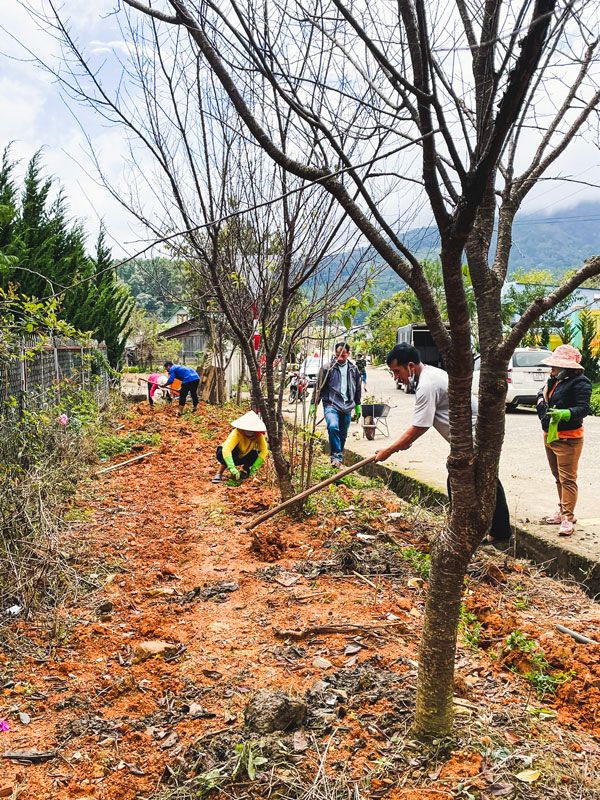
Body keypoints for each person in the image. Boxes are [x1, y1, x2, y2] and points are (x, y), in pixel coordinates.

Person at [374, 343, 512, 544]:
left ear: (410, 366)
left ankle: (479, 532)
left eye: (397, 371)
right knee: (477, 478)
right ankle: (496, 531)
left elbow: (420, 426)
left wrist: (389, 450)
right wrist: (400, 445)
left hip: (473, 436)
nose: (396, 377)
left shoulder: (427, 384)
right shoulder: (431, 375)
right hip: (468, 437)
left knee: (469, 480)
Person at [536, 344, 592, 536]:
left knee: (568, 479)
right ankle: (562, 511)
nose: (551, 369)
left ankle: (568, 518)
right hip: (550, 435)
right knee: (558, 478)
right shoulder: (554, 381)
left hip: (569, 439)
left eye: (555, 366)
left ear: (568, 367)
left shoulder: (581, 383)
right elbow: (541, 396)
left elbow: (584, 409)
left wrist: (565, 413)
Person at [310, 342, 362, 469]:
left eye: (343, 355)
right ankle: (336, 457)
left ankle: (337, 459)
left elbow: (358, 388)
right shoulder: (327, 368)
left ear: (348, 354)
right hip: (331, 404)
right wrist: (313, 404)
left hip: (347, 405)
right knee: (333, 427)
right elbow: (318, 387)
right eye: (338, 355)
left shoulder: (353, 369)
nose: (340, 358)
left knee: (343, 435)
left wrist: (357, 405)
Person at [212, 410, 269, 484]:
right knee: (233, 451)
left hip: (243, 455)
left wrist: (254, 468)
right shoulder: (237, 433)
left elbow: (264, 451)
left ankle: (245, 470)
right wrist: (232, 468)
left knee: (255, 454)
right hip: (227, 454)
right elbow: (226, 450)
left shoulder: (259, 436)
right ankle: (219, 473)